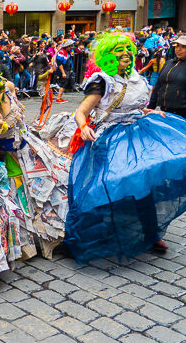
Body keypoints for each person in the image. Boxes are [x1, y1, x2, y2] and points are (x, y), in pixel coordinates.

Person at [65, 33, 186, 263]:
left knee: (144, 183)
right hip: (111, 137)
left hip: (140, 133)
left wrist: (150, 112)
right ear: (109, 55)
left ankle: (151, 233)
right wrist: (83, 127)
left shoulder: (136, 77)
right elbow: (81, 112)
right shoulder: (102, 81)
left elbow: (138, 106)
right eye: (119, 51)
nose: (125, 54)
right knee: (104, 184)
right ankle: (97, 231)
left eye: (127, 50)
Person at [0, 64, 69, 260]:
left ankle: (52, 238)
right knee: (19, 199)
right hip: (6, 157)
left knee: (47, 192)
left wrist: (6, 122)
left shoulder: (8, 88)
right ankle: (27, 245)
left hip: (29, 148)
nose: (0, 83)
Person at [148, 35, 186, 118]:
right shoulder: (169, 63)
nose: (179, 49)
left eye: (183, 47)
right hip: (164, 111)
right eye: (177, 46)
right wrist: (150, 107)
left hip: (182, 113)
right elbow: (158, 86)